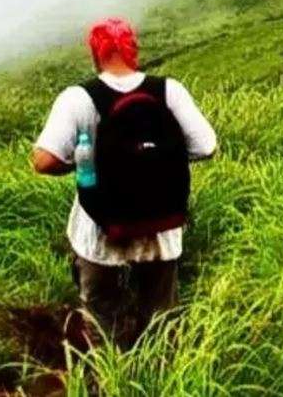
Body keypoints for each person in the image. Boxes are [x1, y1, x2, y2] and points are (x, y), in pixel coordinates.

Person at [30, 18, 217, 349]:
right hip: (161, 229)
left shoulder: (78, 98)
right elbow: (206, 146)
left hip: (101, 232)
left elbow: (43, 161)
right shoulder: (169, 91)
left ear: (95, 53)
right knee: (159, 318)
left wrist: (86, 163)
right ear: (134, 50)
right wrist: (156, 159)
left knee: (103, 317)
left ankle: (108, 379)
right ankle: (157, 376)